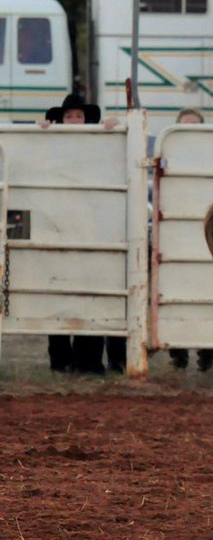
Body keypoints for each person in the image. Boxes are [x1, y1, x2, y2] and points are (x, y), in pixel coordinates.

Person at [41, 94, 120, 374]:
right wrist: (41, 134)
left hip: (92, 228)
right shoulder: (49, 145)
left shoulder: (101, 144)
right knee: (58, 293)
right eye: (69, 116)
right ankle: (61, 360)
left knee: (91, 293)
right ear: (60, 120)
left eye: (78, 116)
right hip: (57, 228)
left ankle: (88, 361)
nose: (74, 121)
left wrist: (114, 132)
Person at [166, 108, 213, 372]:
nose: (191, 130)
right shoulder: (167, 153)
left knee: (206, 292)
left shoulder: (212, 158)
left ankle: (206, 352)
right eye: (185, 125)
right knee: (176, 292)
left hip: (204, 231)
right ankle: (178, 351)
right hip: (176, 232)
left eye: (195, 125)